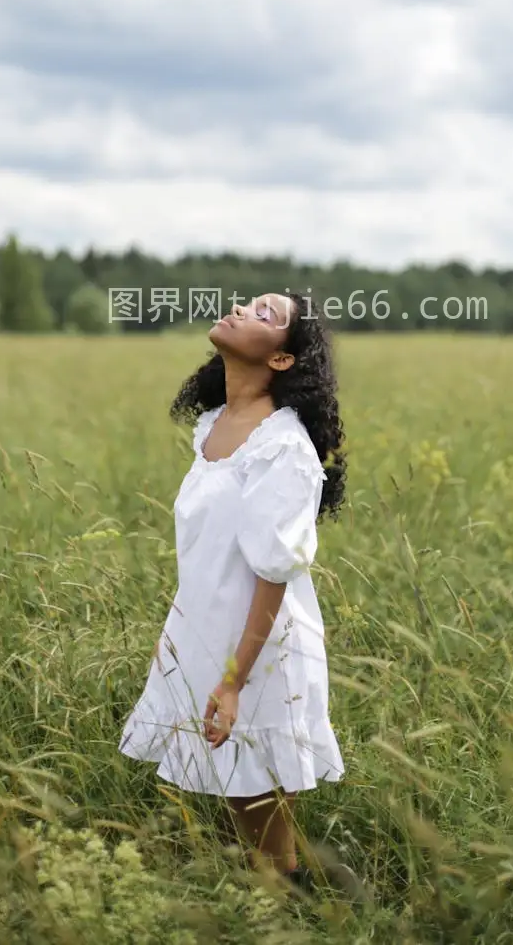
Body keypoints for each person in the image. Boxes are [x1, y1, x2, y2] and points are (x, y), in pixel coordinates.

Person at [119, 290, 347, 887]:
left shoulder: (284, 447)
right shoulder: (213, 425)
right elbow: (207, 552)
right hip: (209, 628)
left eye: (265, 315)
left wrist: (233, 679)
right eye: (247, 304)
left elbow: (273, 572)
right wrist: (178, 634)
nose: (243, 310)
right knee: (234, 795)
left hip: (260, 646)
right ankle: (267, 897)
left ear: (280, 360)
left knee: (257, 801)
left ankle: (296, 902)